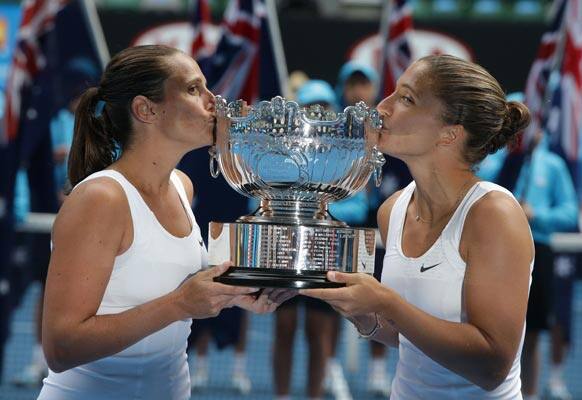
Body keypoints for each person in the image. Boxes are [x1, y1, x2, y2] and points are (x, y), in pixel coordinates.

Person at [37, 45, 289, 400]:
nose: (213, 100)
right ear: (146, 109)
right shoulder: (101, 199)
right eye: (193, 88)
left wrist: (233, 297)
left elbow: (164, 291)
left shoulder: (182, 187)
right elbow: (61, 347)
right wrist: (180, 304)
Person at [302, 54, 534, 399]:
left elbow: (492, 367)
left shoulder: (494, 214)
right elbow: (409, 339)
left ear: (449, 134)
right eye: (393, 93)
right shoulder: (391, 210)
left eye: (406, 98)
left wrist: (388, 303)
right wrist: (364, 315)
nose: (382, 106)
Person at [271, 79, 342, 400]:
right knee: (283, 330)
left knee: (319, 333)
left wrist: (315, 210)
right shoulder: (277, 155)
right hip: (285, 252)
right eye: (310, 108)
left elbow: (355, 206)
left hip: (325, 255)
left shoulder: (345, 159)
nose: (317, 114)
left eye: (323, 108)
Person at [331, 60, 397, 399]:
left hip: (380, 229)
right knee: (335, 299)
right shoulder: (333, 134)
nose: (359, 91)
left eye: (364, 84)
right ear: (343, 89)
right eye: (352, 84)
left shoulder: (392, 138)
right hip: (345, 228)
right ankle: (332, 368)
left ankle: (376, 373)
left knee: (380, 298)